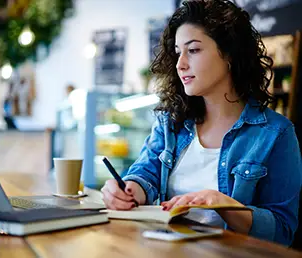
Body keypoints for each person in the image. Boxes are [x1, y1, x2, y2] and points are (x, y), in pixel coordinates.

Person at [101, 0, 302, 246]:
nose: (180, 64)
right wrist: (127, 190)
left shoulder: (276, 134)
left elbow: (282, 231)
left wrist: (224, 205)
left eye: (193, 50)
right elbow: (146, 174)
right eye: (177, 52)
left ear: (229, 53)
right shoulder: (170, 123)